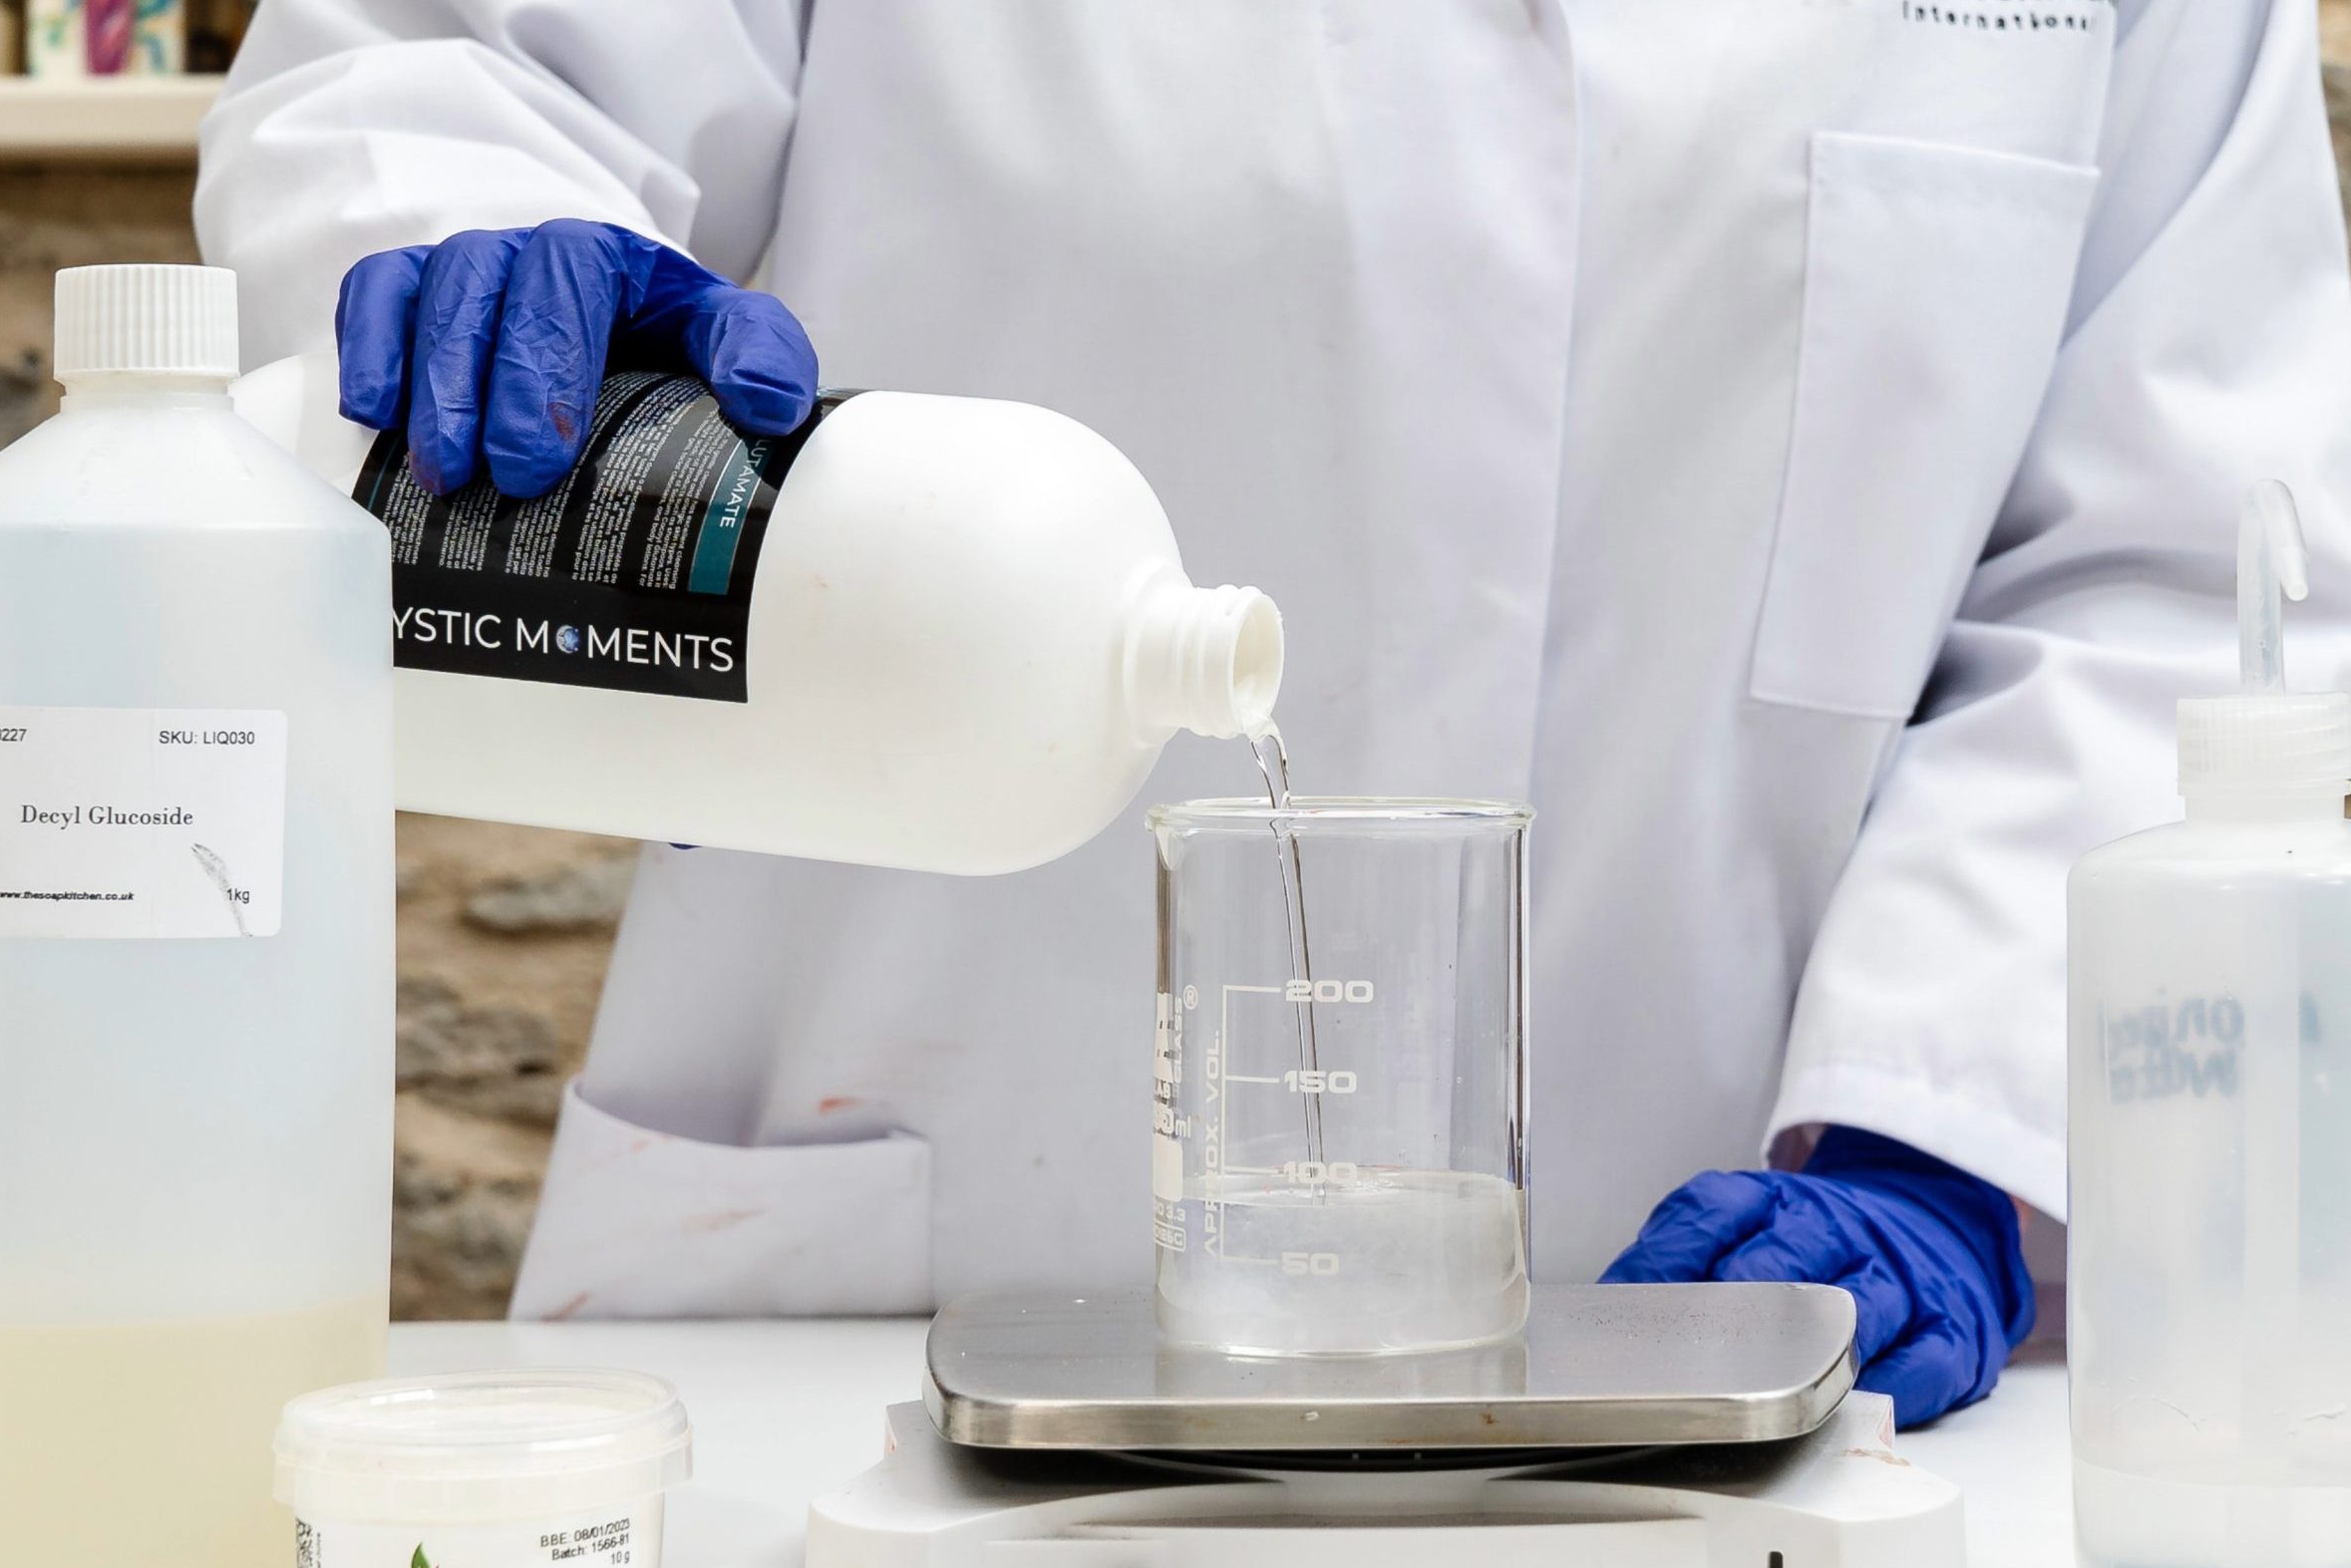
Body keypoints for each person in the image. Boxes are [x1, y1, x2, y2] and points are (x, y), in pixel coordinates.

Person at [196, 0, 2351, 1425]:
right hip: (873, 1297)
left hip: (1724, 1344)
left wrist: (1937, 1128)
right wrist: (482, 252)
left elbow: (2170, 559)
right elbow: (435, 72)